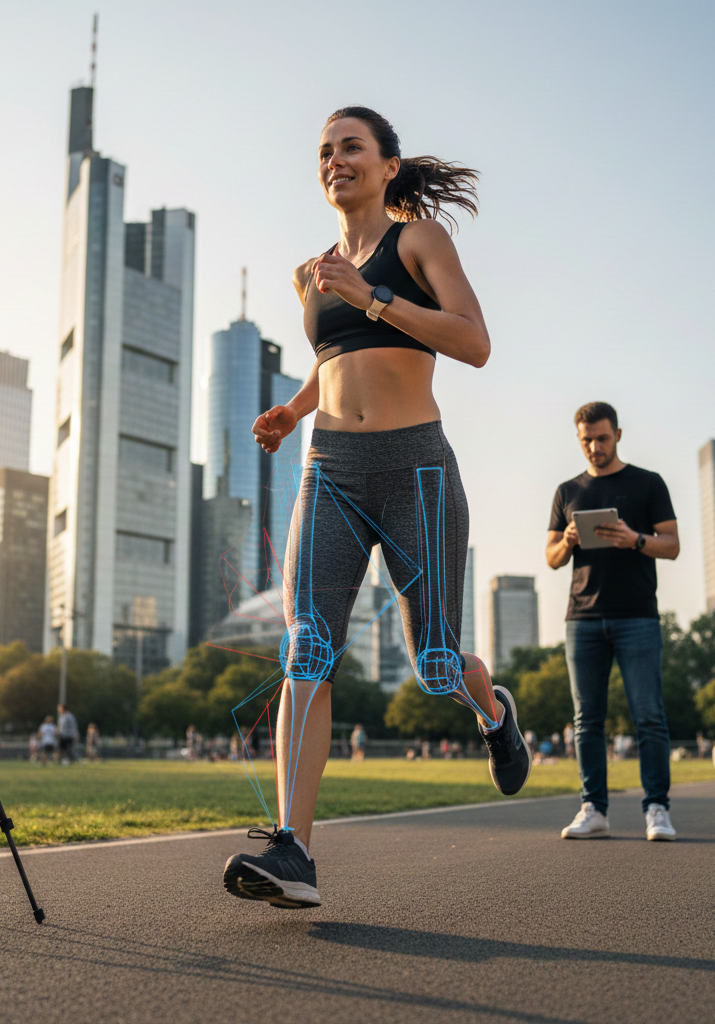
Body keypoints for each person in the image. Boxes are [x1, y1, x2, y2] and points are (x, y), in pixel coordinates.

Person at [222, 106, 531, 911]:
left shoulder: (419, 239)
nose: (335, 160)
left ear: (388, 164)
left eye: (351, 147)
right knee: (306, 648)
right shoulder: (310, 271)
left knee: (434, 663)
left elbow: (473, 342)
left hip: (414, 468)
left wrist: (373, 296)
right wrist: (292, 411)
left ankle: (493, 711)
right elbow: (335, 363)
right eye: (324, 151)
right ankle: (294, 852)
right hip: (330, 467)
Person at [546, 402, 680, 842]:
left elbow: (672, 544)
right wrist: (566, 542)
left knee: (649, 717)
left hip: (637, 615)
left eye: (602, 438)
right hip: (582, 618)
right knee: (587, 720)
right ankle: (594, 809)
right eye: (586, 439)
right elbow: (550, 559)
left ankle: (657, 808)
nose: (594, 447)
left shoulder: (648, 483)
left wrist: (634, 539)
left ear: (618, 434)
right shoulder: (567, 491)